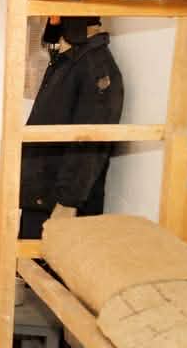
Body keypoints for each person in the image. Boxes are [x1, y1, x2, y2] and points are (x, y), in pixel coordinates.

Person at [19, 15, 124, 239]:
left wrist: (67, 201)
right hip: (42, 194)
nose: (52, 21)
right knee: (27, 256)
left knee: (47, 259)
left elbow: (91, 140)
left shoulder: (95, 66)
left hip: (59, 202)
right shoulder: (69, 62)